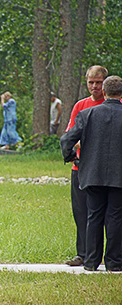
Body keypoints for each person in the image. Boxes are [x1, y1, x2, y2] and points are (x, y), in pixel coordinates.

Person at [60, 75, 122, 272]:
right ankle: (114, 261)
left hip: (92, 173)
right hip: (119, 175)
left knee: (93, 216)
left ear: (104, 92)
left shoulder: (87, 114)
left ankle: (91, 261)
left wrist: (72, 158)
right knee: (115, 217)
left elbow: (66, 140)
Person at [64, 65, 108, 267]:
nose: (94, 86)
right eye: (91, 82)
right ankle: (82, 253)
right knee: (81, 213)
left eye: (98, 82)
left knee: (110, 214)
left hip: (108, 169)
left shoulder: (115, 104)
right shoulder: (80, 106)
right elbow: (71, 136)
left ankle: (111, 254)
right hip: (81, 167)